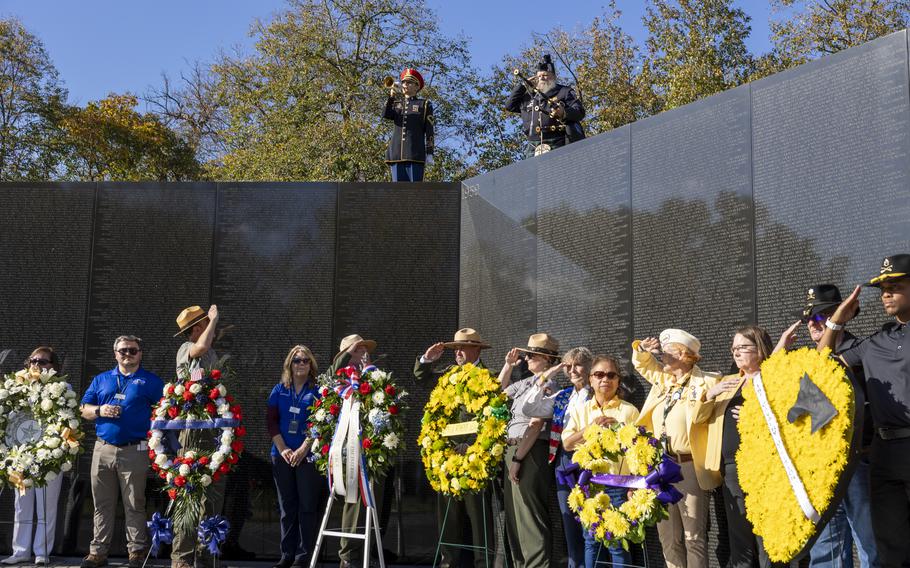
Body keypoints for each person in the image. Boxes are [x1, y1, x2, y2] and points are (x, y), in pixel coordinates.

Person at [775, 285, 878, 568]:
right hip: (820, 465)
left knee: (867, 540)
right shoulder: (806, 357)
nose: (812, 324)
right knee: (826, 548)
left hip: (857, 461)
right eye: (809, 318)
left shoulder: (859, 350)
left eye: (820, 317)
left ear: (839, 315)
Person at [818, 254, 910, 568]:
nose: (886, 294)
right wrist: (836, 321)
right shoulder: (876, 341)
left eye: (895, 286)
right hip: (884, 453)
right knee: (890, 547)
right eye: (882, 288)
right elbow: (822, 362)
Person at [632, 329, 720, 568]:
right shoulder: (664, 382)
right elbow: (643, 364)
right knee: (668, 538)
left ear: (685, 355)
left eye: (667, 352)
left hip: (688, 466)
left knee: (694, 538)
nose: (661, 357)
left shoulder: (708, 381)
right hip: (661, 468)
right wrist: (642, 349)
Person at [692, 326, 777, 567]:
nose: (736, 353)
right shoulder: (729, 382)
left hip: (767, 468)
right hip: (732, 470)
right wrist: (709, 394)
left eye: (742, 347)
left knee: (767, 538)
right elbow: (698, 419)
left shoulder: (775, 379)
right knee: (740, 537)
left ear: (759, 349)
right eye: (734, 348)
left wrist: (756, 414)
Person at [414, 328, 496, 568]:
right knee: (449, 519)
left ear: (477, 349)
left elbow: (492, 417)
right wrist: (427, 360)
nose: (458, 352)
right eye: (455, 348)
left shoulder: (489, 375)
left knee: (479, 519)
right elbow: (422, 378)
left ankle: (484, 563)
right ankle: (447, 563)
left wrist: (470, 445)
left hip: (475, 456)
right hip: (447, 456)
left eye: (463, 347)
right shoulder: (448, 374)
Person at [79, 336, 164, 568]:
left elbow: (165, 412)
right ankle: (97, 552)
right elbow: (83, 409)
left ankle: (136, 552)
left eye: (133, 350)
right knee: (101, 503)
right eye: (123, 350)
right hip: (103, 449)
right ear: (115, 353)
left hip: (134, 450)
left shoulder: (151, 382)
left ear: (140, 353)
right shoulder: (101, 379)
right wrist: (100, 410)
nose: (128, 354)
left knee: (134, 502)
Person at [560, 354, 639, 568]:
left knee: (617, 543)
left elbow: (639, 451)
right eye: (599, 374)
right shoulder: (580, 411)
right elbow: (567, 443)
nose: (605, 379)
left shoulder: (628, 411)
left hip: (619, 486)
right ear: (591, 379)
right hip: (589, 485)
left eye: (611, 375)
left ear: (618, 380)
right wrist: (589, 429)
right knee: (591, 542)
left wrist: (634, 486)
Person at [520, 346, 593, 568]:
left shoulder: (598, 393)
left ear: (590, 366)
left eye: (578, 365)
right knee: (568, 519)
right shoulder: (563, 395)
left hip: (590, 460)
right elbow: (529, 407)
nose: (572, 370)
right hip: (563, 460)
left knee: (590, 520)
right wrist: (546, 376)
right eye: (568, 366)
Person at [498, 333, 560, 568]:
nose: (526, 359)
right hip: (514, 448)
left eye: (531, 355)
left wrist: (518, 458)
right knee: (515, 517)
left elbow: (535, 425)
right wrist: (507, 365)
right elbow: (496, 394)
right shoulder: (526, 382)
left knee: (529, 515)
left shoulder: (548, 385)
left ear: (547, 360)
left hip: (530, 451)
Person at [171, 304, 226, 568]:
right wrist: (213, 320)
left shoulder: (212, 352)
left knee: (210, 495)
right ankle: (181, 557)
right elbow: (199, 349)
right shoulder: (187, 349)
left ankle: (205, 554)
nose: (211, 329)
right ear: (197, 328)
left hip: (212, 430)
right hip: (192, 432)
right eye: (205, 325)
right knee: (189, 492)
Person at [2, 348, 66, 566]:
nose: (37, 364)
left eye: (43, 361)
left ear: (53, 366)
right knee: (22, 505)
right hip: (21, 456)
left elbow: (65, 422)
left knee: (46, 506)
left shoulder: (62, 389)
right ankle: (20, 551)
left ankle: (42, 551)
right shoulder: (16, 386)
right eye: (33, 360)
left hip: (49, 456)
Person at [328, 334, 386, 568]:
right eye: (357, 350)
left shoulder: (374, 376)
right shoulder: (338, 379)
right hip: (347, 451)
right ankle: (348, 556)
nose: (363, 353)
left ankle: (369, 550)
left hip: (372, 448)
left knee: (374, 503)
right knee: (353, 501)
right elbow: (332, 373)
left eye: (365, 349)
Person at [268, 345, 325, 568]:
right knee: (287, 507)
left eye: (305, 361)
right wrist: (283, 449)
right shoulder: (279, 390)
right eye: (296, 360)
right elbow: (271, 422)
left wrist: (303, 449)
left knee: (307, 507)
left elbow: (320, 423)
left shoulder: (318, 391)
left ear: (311, 365)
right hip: (282, 455)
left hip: (307, 456)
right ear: (289, 365)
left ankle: (304, 556)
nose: (301, 364)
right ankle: (287, 555)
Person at [505, 54, 585, 157]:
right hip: (533, 146)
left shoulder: (564, 92)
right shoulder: (529, 96)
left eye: (545, 75)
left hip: (558, 141)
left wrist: (563, 112)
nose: (541, 78)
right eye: (539, 76)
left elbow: (579, 112)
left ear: (553, 77)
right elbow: (509, 105)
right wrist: (523, 86)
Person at [383, 68, 435, 182]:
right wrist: (391, 97)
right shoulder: (396, 104)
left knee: (414, 193)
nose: (405, 84)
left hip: (415, 154)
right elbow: (386, 115)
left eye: (409, 82)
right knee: (398, 193)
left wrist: (430, 152)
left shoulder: (424, 104)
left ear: (417, 86)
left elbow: (429, 130)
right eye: (403, 82)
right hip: (396, 154)